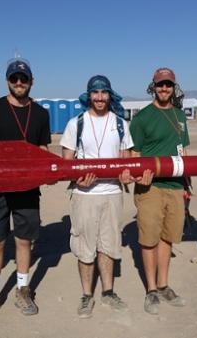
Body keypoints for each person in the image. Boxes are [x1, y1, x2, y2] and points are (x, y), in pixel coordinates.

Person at [0, 58, 51, 319]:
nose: (19, 83)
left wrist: (48, 170)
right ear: (7, 80)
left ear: (31, 81)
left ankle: (22, 288)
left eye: (23, 78)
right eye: (14, 78)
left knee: (23, 240)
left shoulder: (40, 114)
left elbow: (42, 150)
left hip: (27, 188)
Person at [59, 75, 135, 318]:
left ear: (110, 95)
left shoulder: (121, 123)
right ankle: (86, 295)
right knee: (85, 246)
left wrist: (126, 176)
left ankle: (108, 292)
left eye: (104, 93)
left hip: (112, 194)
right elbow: (66, 162)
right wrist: (77, 179)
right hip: (85, 195)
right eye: (95, 93)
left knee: (109, 245)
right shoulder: (76, 124)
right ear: (89, 96)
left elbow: (127, 159)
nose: (100, 97)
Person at [129, 67, 190, 315]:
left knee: (168, 237)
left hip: (176, 188)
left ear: (174, 87)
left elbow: (183, 153)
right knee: (149, 239)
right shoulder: (142, 118)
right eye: (160, 84)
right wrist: (139, 178)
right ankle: (151, 290)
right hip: (150, 188)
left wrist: (187, 185)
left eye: (168, 85)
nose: (164, 89)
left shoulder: (180, 116)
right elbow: (135, 156)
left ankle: (164, 284)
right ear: (152, 86)